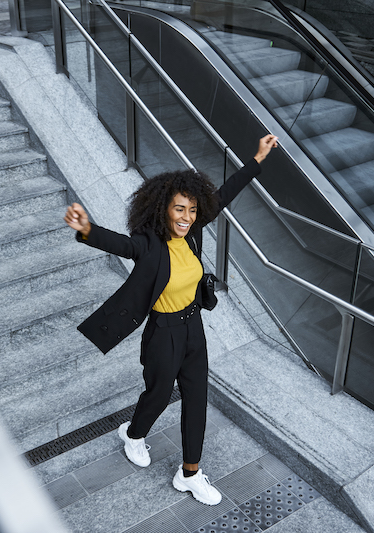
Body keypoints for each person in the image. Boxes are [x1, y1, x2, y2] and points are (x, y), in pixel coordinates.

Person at [64, 134, 278, 505]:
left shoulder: (192, 233)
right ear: (164, 208)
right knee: (159, 394)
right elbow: (120, 244)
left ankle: (190, 473)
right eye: (180, 209)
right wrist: (86, 230)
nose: (187, 218)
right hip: (163, 333)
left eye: (192, 211)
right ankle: (133, 434)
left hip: (193, 328)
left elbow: (223, 196)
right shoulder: (147, 244)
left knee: (197, 398)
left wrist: (257, 159)